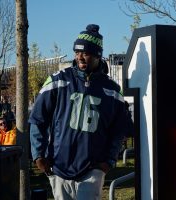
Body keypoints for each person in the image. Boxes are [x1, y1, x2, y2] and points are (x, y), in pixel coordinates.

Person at [29, 24, 133, 200]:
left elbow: (119, 129)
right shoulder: (58, 80)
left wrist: (109, 161)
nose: (80, 57)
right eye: (77, 52)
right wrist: (38, 155)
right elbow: (38, 119)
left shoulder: (112, 90)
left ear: (98, 55)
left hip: (93, 169)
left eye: (86, 53)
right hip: (59, 167)